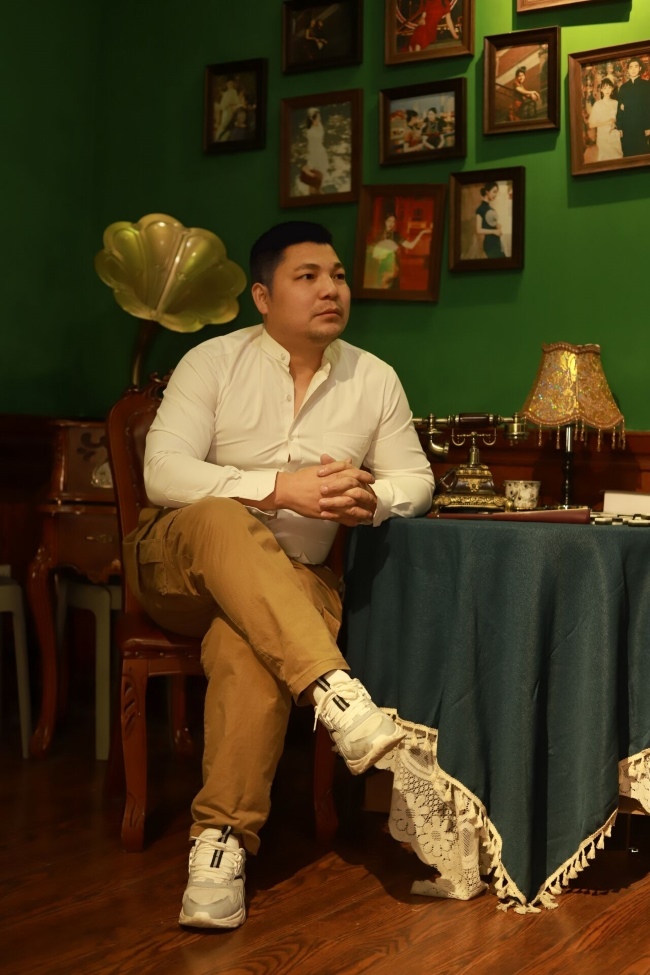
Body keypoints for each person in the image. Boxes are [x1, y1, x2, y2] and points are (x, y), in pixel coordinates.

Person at [123, 220, 435, 930]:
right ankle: (335, 689)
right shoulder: (211, 361)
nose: (332, 289)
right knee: (221, 514)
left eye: (339, 276)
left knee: (248, 641)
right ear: (263, 297)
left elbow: (416, 480)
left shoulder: (374, 377)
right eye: (308, 276)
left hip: (292, 581)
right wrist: (276, 490)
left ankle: (220, 845)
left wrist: (372, 499)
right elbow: (163, 473)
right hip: (178, 564)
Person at [369, 213, 432, 289]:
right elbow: (373, 251)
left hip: (393, 267)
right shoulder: (379, 235)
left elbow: (410, 246)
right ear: (385, 222)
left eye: (393, 221)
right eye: (389, 221)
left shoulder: (396, 236)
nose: (391, 223)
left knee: (392, 288)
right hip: (381, 266)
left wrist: (421, 233)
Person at [615, 56, 650, 158]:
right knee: (628, 153)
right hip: (627, 127)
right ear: (628, 69)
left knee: (643, 154)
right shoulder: (623, 88)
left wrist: (648, 126)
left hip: (642, 126)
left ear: (640, 68)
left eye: (636, 66)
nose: (633, 69)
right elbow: (620, 109)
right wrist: (620, 127)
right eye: (631, 67)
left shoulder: (646, 85)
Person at [587, 77, 623, 162]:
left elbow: (620, 119)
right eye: (605, 88)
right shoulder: (598, 104)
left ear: (612, 89)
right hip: (603, 137)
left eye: (609, 88)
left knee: (618, 160)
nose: (607, 90)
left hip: (614, 136)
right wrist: (607, 122)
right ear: (601, 90)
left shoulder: (616, 103)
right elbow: (591, 124)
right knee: (605, 161)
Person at [299, 107, 330, 194]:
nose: (319, 119)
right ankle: (313, 193)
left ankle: (318, 191)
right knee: (314, 178)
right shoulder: (311, 133)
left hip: (321, 152)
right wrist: (310, 163)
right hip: (315, 154)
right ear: (312, 119)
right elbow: (312, 148)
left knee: (320, 176)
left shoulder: (319, 126)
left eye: (320, 117)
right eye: (317, 118)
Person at [475, 183, 505, 259]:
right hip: (490, 244)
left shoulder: (490, 208)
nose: (495, 195)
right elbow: (478, 230)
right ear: (487, 192)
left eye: (496, 192)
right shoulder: (480, 209)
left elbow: (490, 224)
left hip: (496, 242)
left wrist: (497, 225)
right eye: (494, 192)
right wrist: (494, 231)